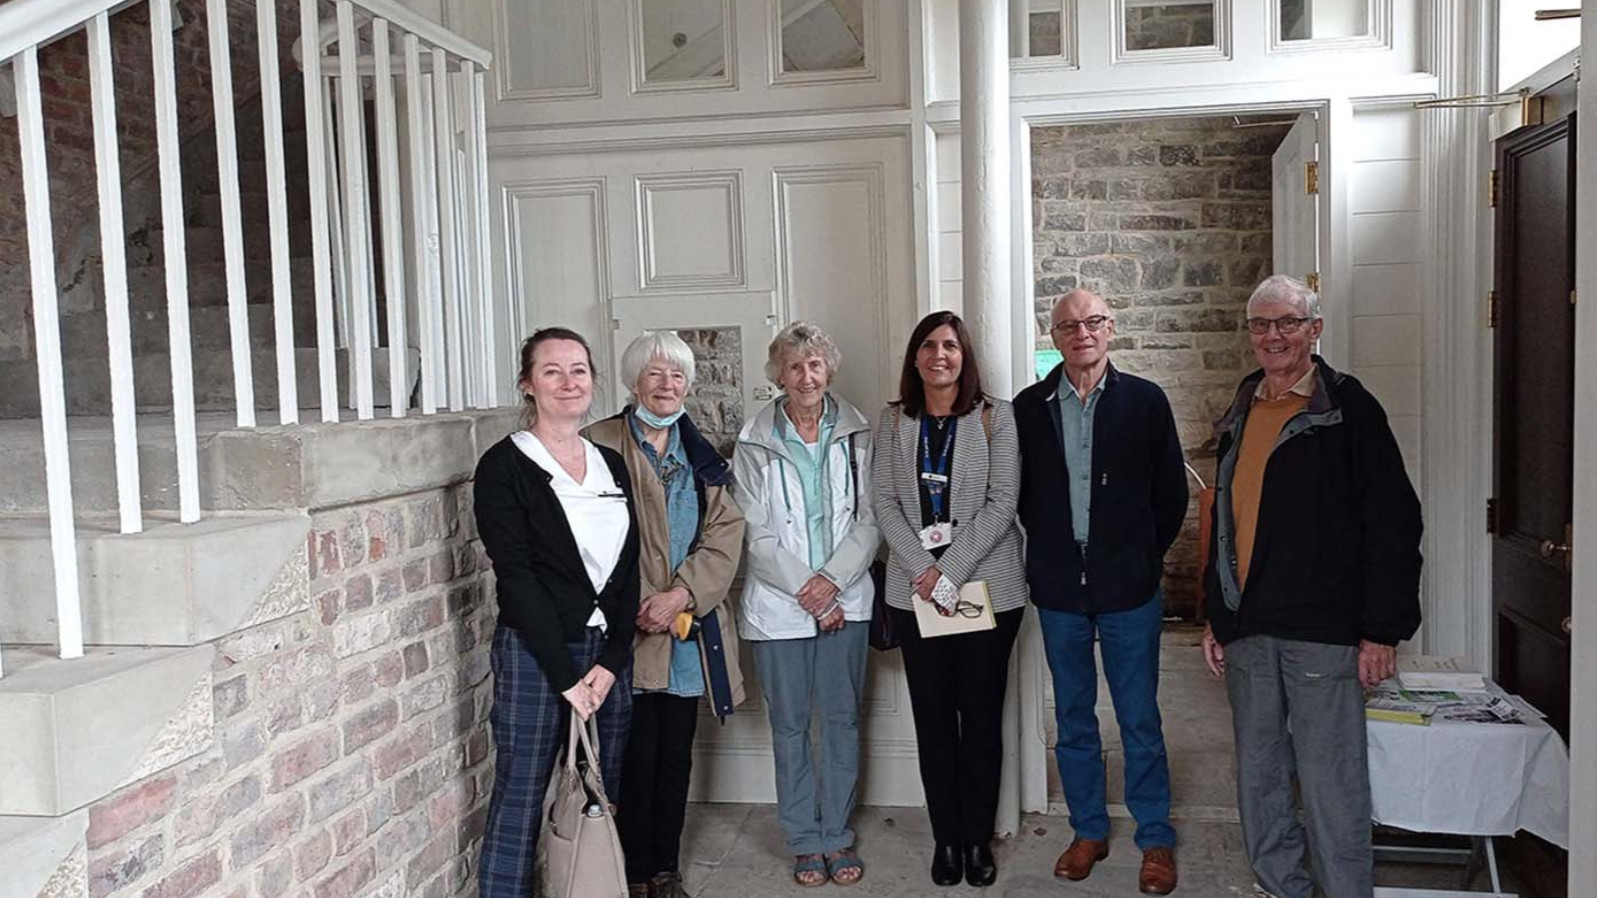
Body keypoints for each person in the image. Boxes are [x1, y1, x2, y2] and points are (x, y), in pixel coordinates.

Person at [1201, 275, 1423, 898]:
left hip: (1323, 632)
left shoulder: (1350, 408)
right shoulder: (1244, 405)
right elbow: (1226, 522)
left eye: (1288, 323)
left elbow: (1394, 523)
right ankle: (1281, 887)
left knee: (1331, 782)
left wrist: (1382, 628)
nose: (1273, 336)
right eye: (1261, 325)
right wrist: (1219, 616)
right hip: (1250, 628)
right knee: (1261, 777)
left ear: (1314, 329)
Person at [1014, 289, 1188, 894]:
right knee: (1073, 715)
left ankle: (1155, 837)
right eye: (1068, 325)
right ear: (1054, 336)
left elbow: (1172, 495)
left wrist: (1140, 555)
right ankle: (1087, 829)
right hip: (1059, 588)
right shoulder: (1028, 408)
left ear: (1110, 328)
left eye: (1091, 322)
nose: (1081, 332)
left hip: (1129, 589)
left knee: (1139, 716)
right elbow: (1019, 497)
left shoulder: (1145, 401)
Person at [473, 327, 640, 898]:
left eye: (579, 370)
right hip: (536, 654)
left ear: (593, 380)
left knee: (598, 796)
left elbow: (628, 573)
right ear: (528, 384)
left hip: (606, 662)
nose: (569, 382)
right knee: (521, 797)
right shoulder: (505, 466)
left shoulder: (611, 464)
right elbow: (515, 578)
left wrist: (614, 660)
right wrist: (566, 677)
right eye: (552, 371)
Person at [585, 332, 747, 898]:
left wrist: (680, 595)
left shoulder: (698, 453)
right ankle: (628, 871)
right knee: (628, 757)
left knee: (675, 756)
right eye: (655, 374)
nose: (667, 385)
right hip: (622, 634)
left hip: (681, 631)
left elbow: (727, 532)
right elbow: (581, 537)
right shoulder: (596, 443)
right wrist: (636, 602)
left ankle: (665, 870)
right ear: (634, 382)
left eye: (677, 376)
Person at [871, 310, 1028, 889]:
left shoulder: (997, 418)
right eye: (929, 346)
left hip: (989, 589)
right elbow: (883, 501)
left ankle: (977, 840)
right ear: (915, 358)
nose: (941, 355)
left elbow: (1002, 500)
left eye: (951, 346)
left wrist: (948, 572)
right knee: (934, 722)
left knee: (981, 721)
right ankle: (946, 839)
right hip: (916, 597)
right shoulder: (893, 422)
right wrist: (924, 570)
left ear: (965, 357)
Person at [732, 321, 879, 888]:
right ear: (778, 375)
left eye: (815, 364)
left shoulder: (860, 433)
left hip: (846, 600)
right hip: (780, 606)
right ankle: (803, 840)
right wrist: (810, 592)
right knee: (789, 726)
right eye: (794, 366)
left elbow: (870, 519)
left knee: (841, 721)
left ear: (829, 369)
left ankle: (837, 836)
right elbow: (755, 532)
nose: (806, 376)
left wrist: (832, 585)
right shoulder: (754, 440)